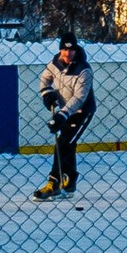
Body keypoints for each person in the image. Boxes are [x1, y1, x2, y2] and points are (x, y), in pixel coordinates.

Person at [35, 35, 95, 198]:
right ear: (60, 49)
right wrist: (47, 94)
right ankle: (70, 181)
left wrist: (62, 116)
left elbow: (79, 98)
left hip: (82, 112)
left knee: (62, 143)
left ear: (76, 50)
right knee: (67, 144)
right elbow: (44, 79)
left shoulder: (84, 70)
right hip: (65, 111)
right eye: (65, 49)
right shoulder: (55, 62)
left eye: (71, 49)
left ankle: (54, 183)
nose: (68, 53)